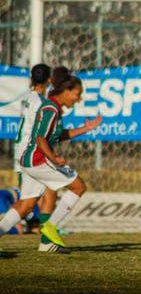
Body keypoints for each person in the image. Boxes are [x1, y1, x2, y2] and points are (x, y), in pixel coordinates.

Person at [0, 74, 102, 251]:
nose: (79, 99)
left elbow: (58, 135)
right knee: (78, 186)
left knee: (26, 204)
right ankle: (50, 228)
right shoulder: (51, 109)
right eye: (77, 94)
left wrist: (86, 128)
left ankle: (45, 243)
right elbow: (40, 139)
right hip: (38, 160)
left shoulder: (53, 107)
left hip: (30, 160)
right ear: (66, 91)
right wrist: (54, 159)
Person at [13, 64, 72, 252]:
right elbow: (40, 135)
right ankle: (47, 238)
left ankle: (47, 237)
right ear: (48, 80)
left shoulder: (27, 98)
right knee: (28, 203)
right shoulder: (42, 103)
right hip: (32, 152)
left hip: (21, 149)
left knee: (34, 200)